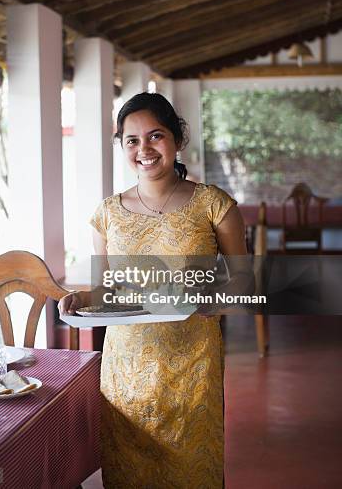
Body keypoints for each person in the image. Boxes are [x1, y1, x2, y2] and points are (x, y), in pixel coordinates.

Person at [58, 92, 247, 488]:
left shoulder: (214, 205)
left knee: (192, 470)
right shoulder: (107, 213)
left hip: (192, 365)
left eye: (155, 136)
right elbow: (109, 289)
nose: (143, 149)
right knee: (129, 472)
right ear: (122, 146)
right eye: (131, 140)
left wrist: (212, 300)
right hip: (125, 369)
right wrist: (81, 300)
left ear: (177, 139)